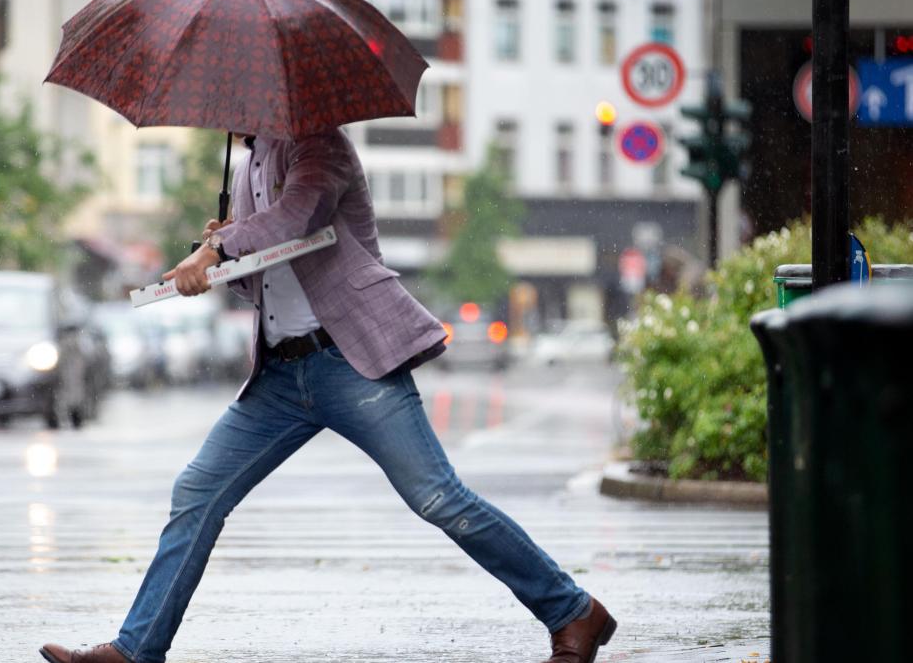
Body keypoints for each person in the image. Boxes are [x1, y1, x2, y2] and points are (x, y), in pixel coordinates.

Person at [40, 130, 616, 663]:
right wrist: (221, 255)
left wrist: (218, 248)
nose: (227, 115)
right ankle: (137, 650)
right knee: (198, 491)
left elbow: (298, 217)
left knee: (438, 497)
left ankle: (572, 611)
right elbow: (263, 279)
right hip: (280, 375)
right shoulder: (247, 165)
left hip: (349, 359)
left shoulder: (321, 142)